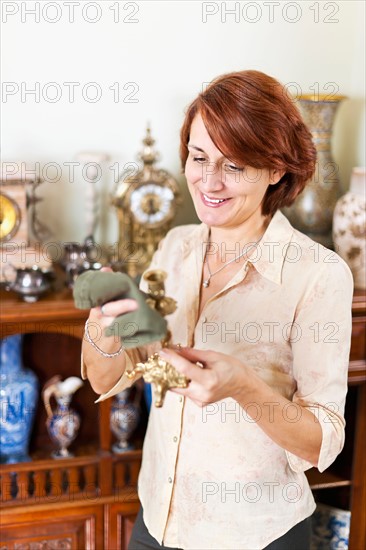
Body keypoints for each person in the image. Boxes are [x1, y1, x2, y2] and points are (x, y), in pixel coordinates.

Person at [81, 70, 354, 550]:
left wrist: (244, 387)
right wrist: (103, 325)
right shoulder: (173, 247)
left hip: (255, 534)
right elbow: (110, 378)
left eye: (234, 166)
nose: (209, 181)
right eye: (199, 156)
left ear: (276, 169)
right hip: (158, 522)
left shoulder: (318, 274)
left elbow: (322, 442)